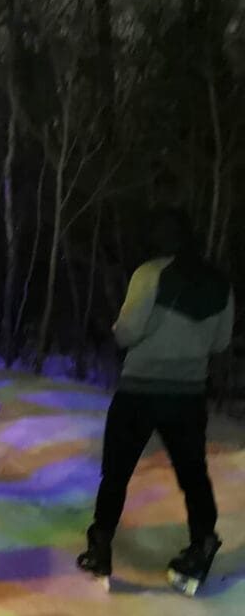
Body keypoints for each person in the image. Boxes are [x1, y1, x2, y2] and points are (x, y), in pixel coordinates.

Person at [77, 209, 235, 592]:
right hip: (188, 395)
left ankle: (100, 545)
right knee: (193, 474)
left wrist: (117, 329)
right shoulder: (219, 283)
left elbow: (127, 334)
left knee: (117, 470)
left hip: (140, 391)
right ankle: (202, 542)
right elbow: (220, 343)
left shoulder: (149, 274)